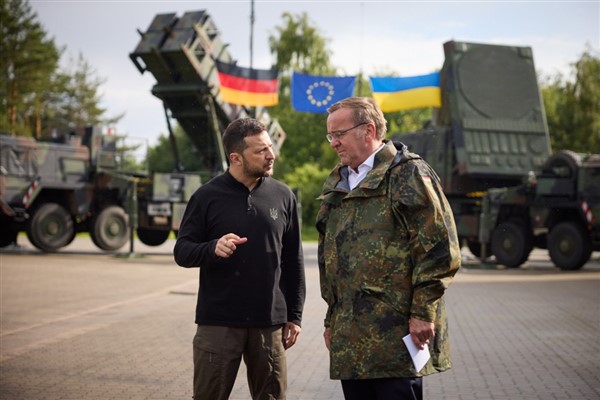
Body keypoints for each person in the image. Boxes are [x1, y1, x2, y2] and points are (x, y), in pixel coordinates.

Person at [315, 97, 461, 400]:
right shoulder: (339, 182)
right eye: (331, 136)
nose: (333, 144)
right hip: (352, 340)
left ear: (368, 130)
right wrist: (332, 320)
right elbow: (330, 258)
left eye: (339, 134)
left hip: (395, 336)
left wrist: (423, 312)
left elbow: (439, 250)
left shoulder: (406, 174)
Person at [174, 118, 306, 400]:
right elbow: (182, 251)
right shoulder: (206, 196)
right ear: (235, 158)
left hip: (269, 324)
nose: (271, 155)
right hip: (218, 323)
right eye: (261, 151)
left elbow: (293, 262)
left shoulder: (283, 196)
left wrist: (294, 316)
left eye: (270, 147)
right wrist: (212, 248)